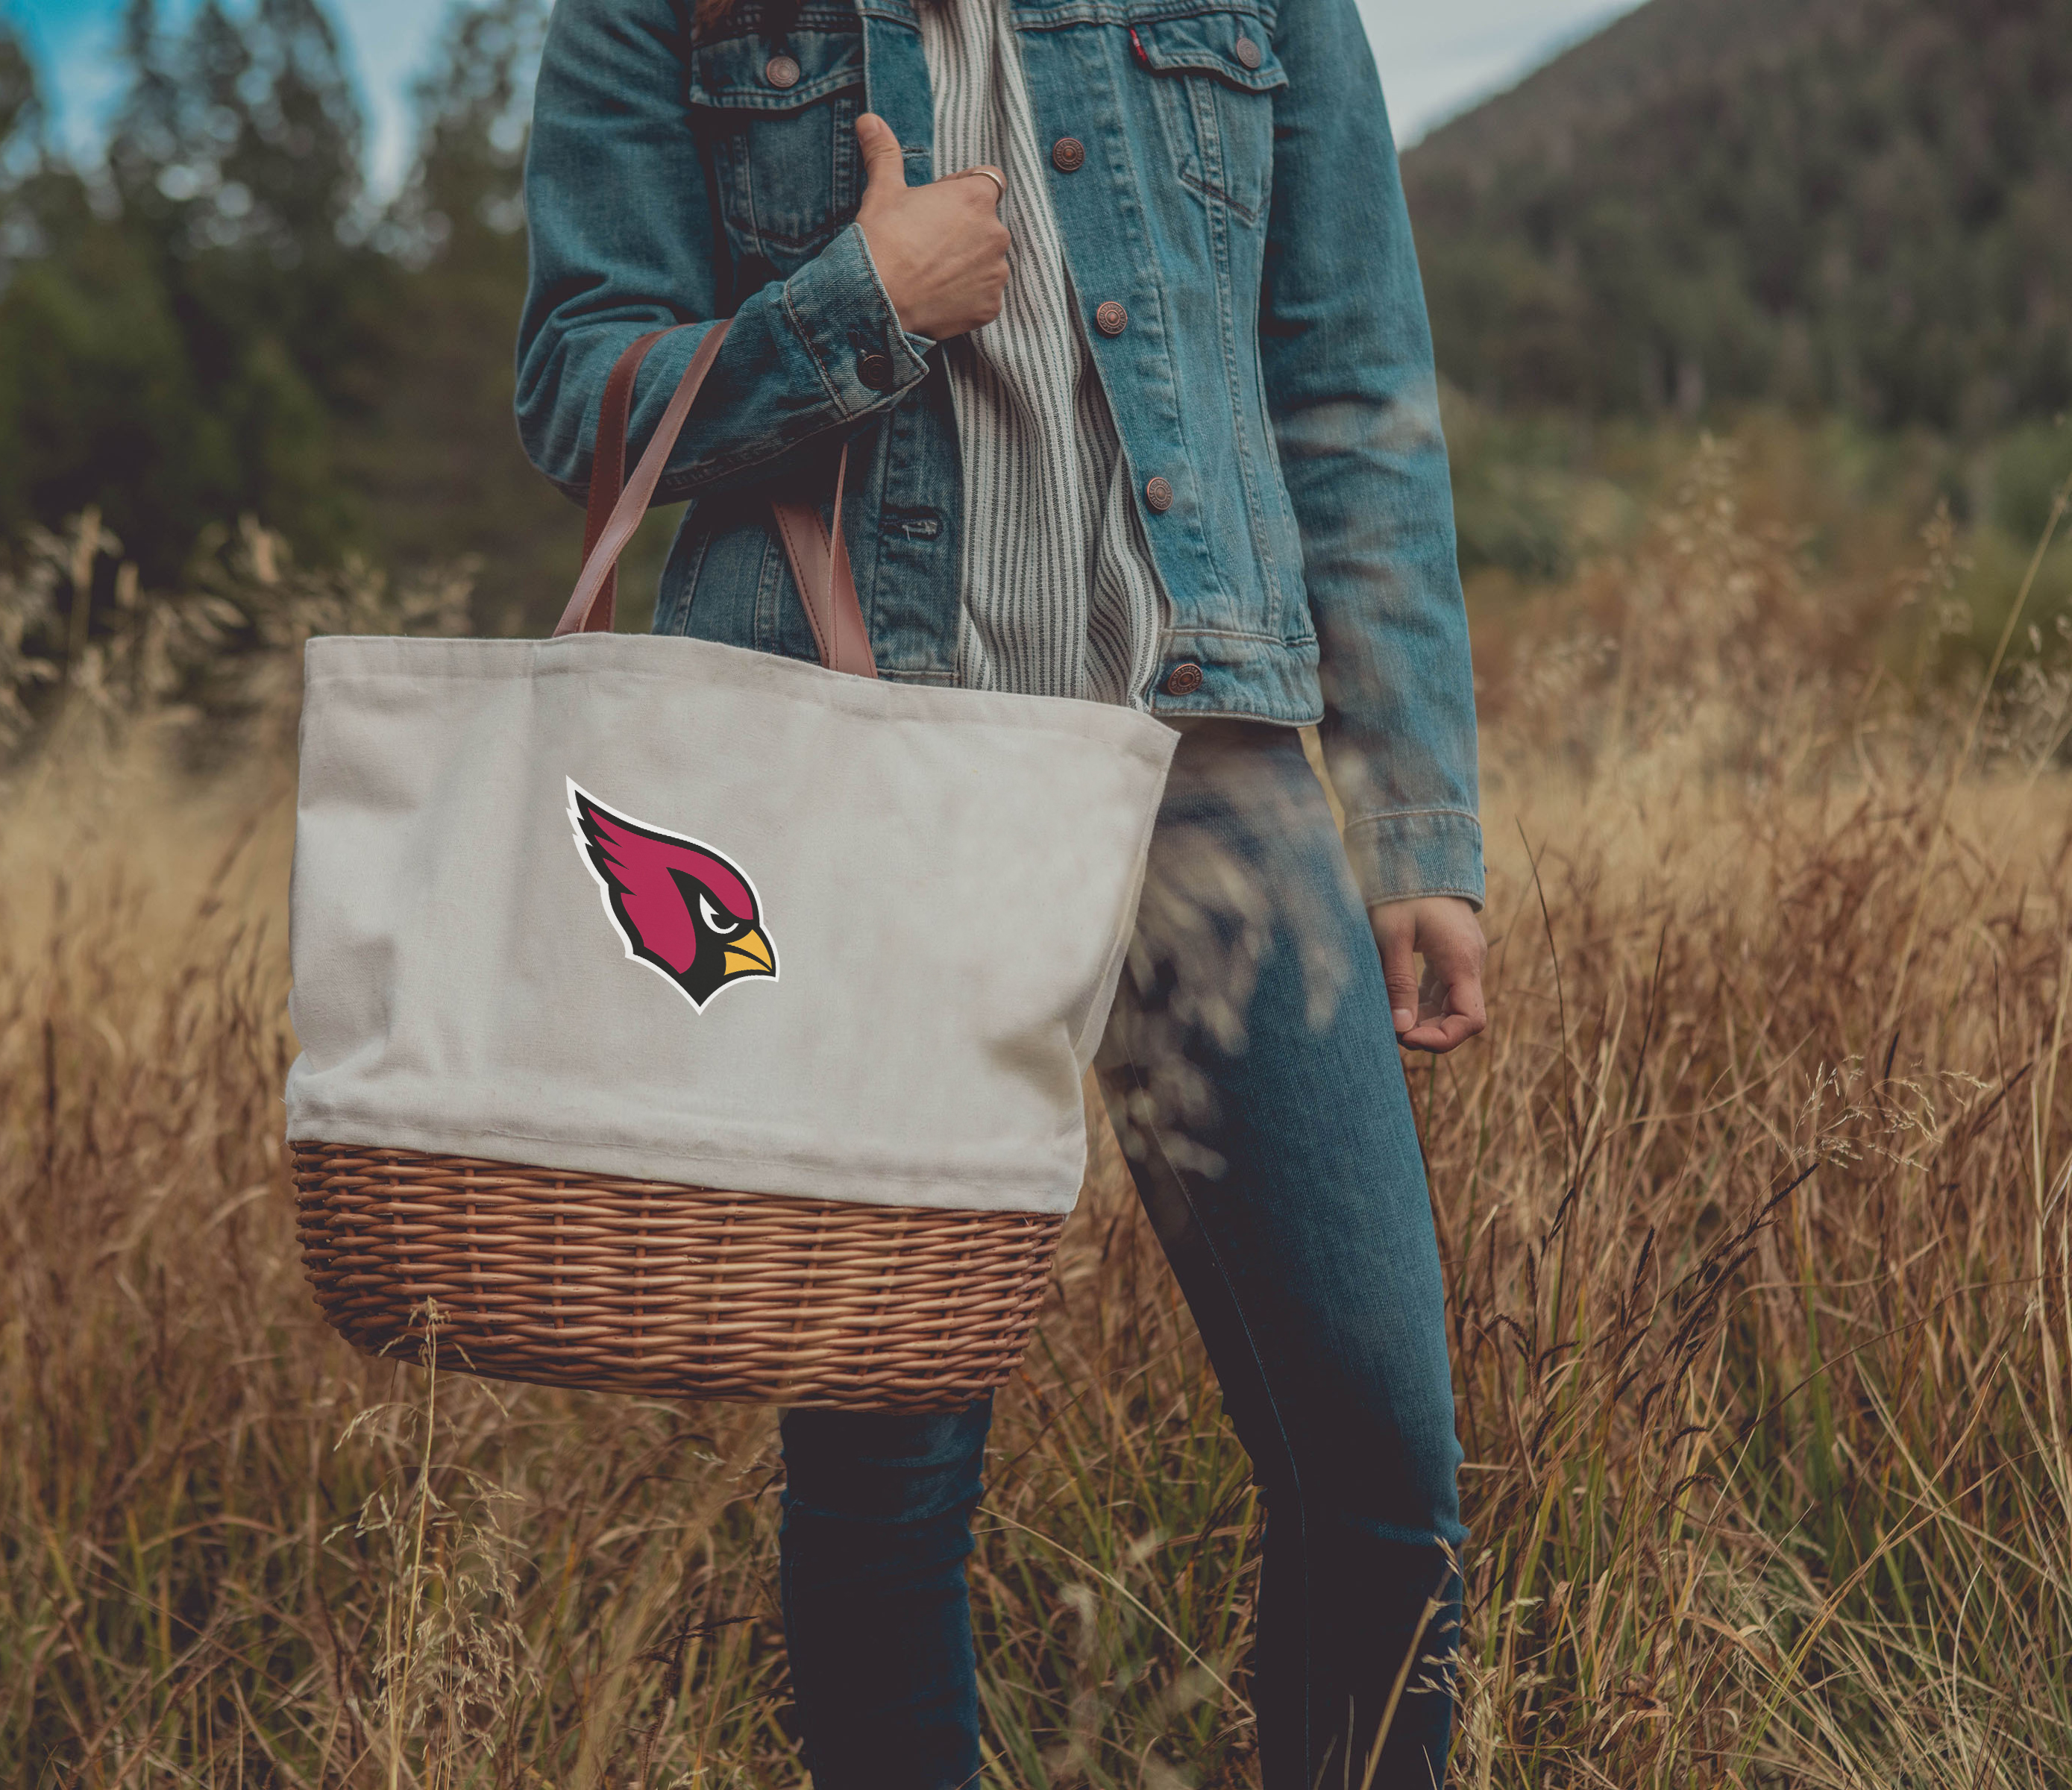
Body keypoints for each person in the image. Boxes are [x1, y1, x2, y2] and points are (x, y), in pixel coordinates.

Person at [518, 0, 1487, 1782]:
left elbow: (1349, 386)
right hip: (863, 786)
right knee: (889, 1485)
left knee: (1379, 1460)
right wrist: (852, 309)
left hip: (1212, 773)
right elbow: (578, 384)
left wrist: (1417, 815)